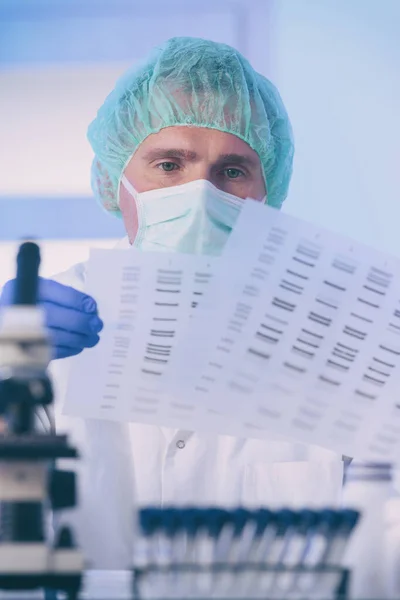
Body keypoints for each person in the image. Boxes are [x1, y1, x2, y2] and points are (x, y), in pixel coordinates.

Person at [0, 37, 344, 579]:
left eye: (232, 171)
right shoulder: (39, 325)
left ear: (267, 190)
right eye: (168, 164)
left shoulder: (335, 338)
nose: (200, 193)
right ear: (117, 182)